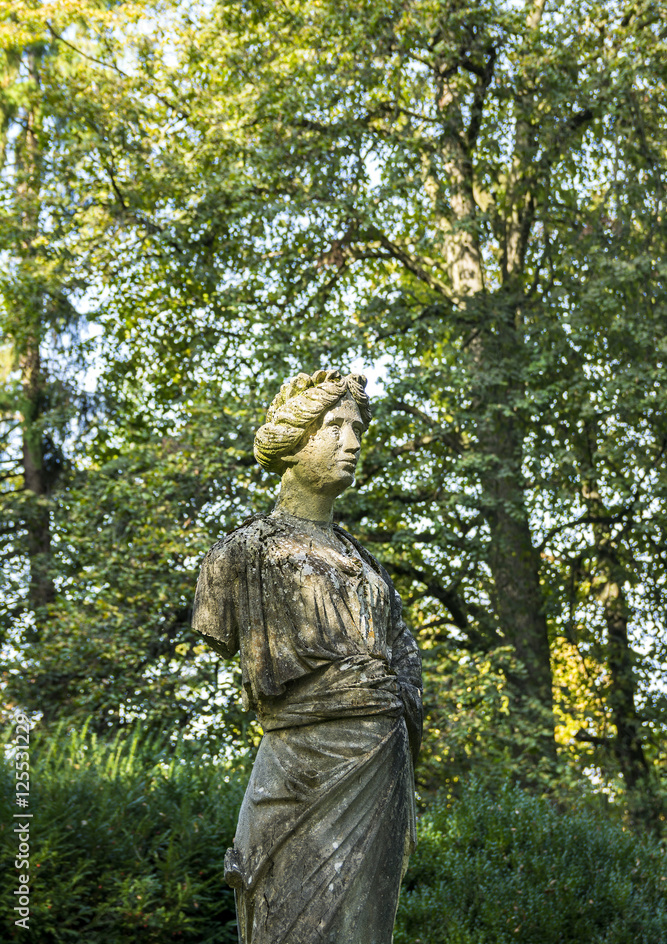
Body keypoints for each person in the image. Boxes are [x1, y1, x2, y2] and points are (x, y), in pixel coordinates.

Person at [191, 369, 422, 944]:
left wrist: (381, 702)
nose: (353, 440)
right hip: (298, 772)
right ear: (295, 439)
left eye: (358, 427)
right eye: (334, 426)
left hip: (379, 768)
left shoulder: (369, 568)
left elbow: (406, 665)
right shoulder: (241, 553)